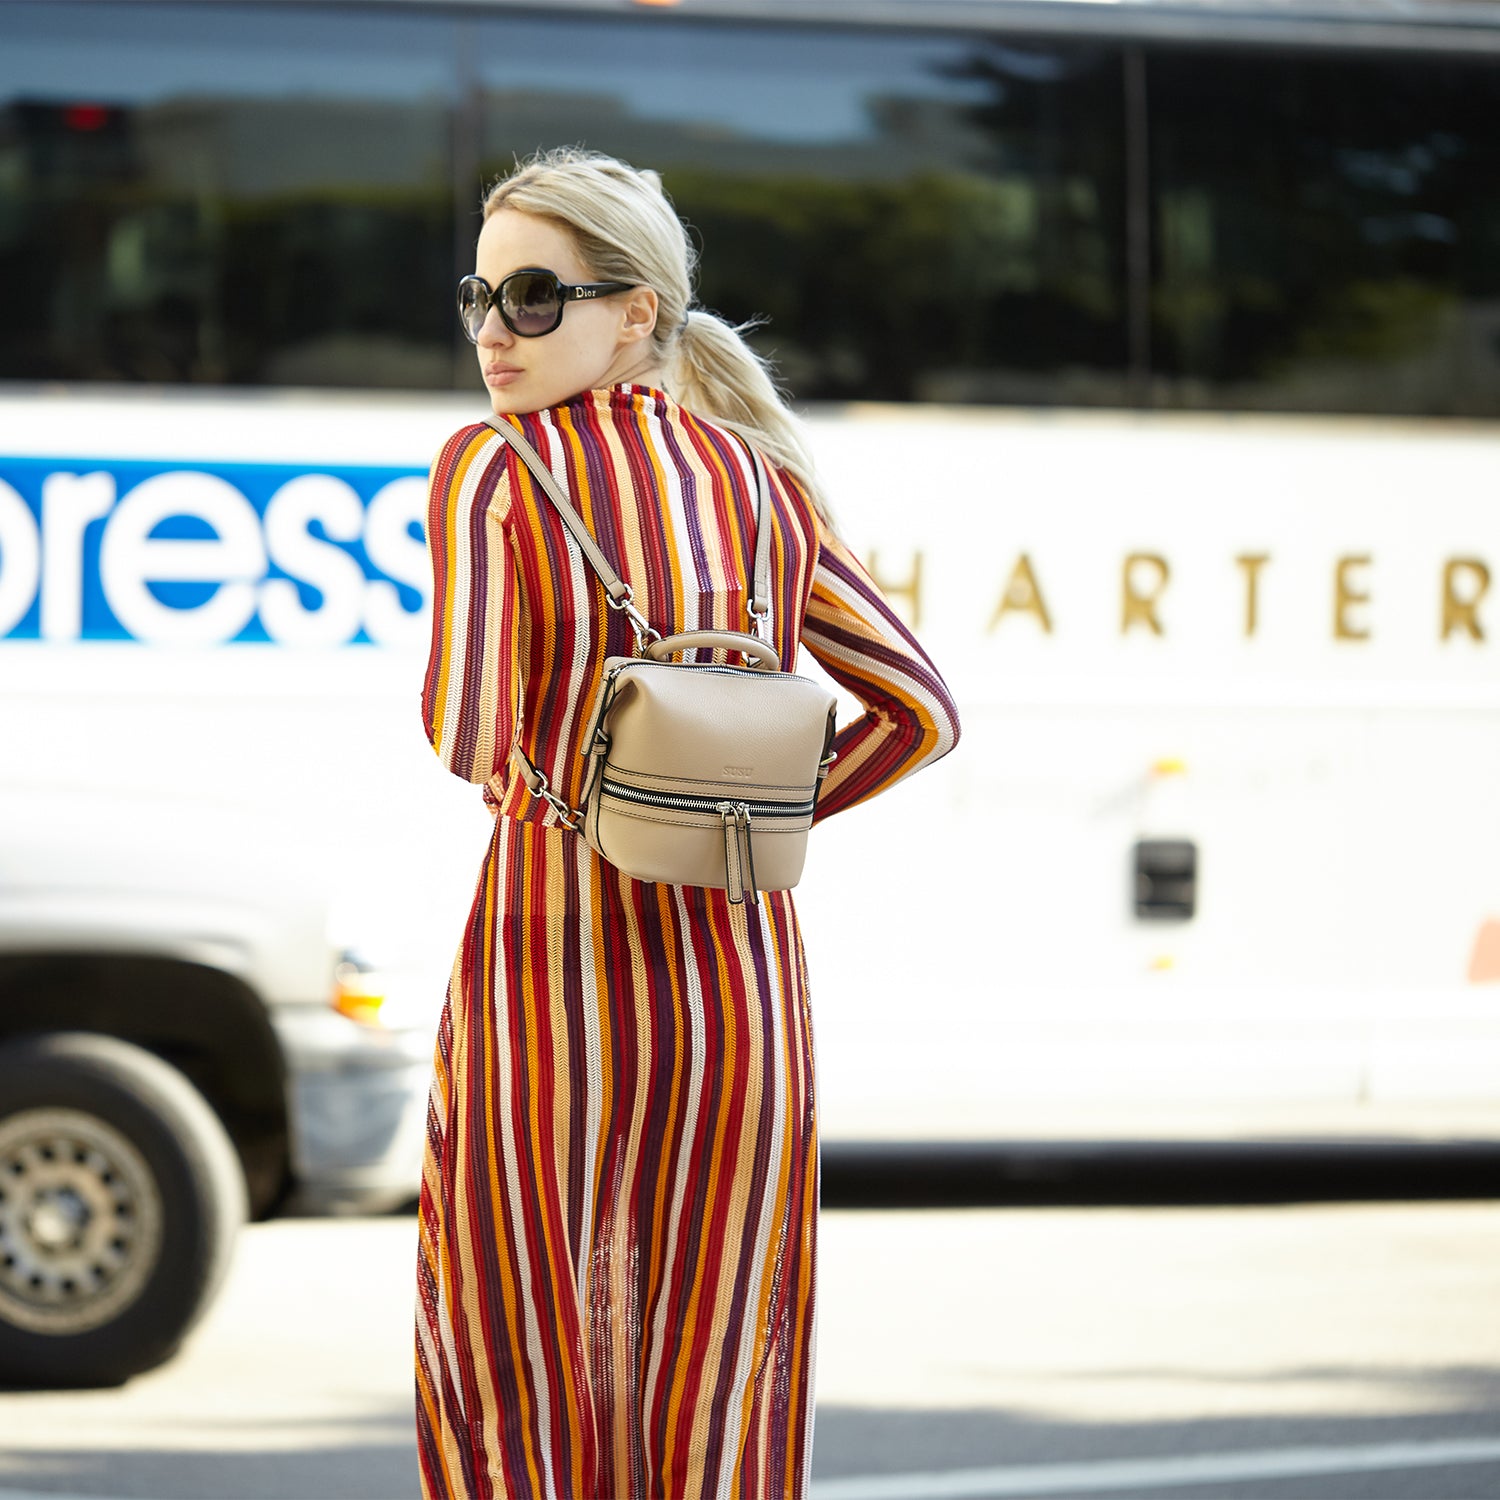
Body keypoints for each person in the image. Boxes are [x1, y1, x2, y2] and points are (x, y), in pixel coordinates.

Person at [415, 146, 960, 1500]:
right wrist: (739, 809)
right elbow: (921, 710)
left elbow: (465, 734)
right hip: (744, 984)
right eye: (478, 295)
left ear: (637, 311)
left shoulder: (497, 468)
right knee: (719, 1368)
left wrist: (600, 804)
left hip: (552, 977)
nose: (496, 331)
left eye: (536, 297)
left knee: (520, 1348)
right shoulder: (764, 480)